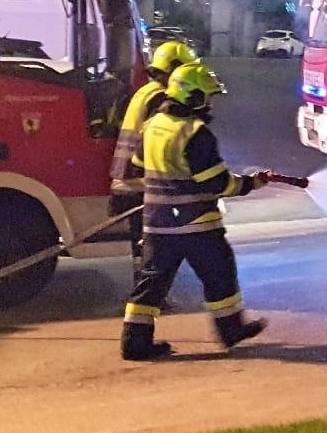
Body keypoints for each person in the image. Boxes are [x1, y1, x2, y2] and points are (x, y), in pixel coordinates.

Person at [121, 62, 271, 361]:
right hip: (196, 224)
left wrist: (162, 192)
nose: (210, 104)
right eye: (207, 97)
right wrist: (251, 183)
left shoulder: (152, 125)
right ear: (192, 96)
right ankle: (230, 330)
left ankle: (134, 342)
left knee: (152, 281)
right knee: (220, 273)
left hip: (156, 223)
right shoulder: (195, 133)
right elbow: (220, 183)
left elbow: (135, 169)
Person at [109, 41, 199, 277]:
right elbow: (162, 143)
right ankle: (147, 294)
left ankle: (145, 288)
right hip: (142, 182)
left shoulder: (146, 90)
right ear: (173, 69)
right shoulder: (161, 98)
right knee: (154, 244)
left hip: (128, 178)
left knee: (144, 243)